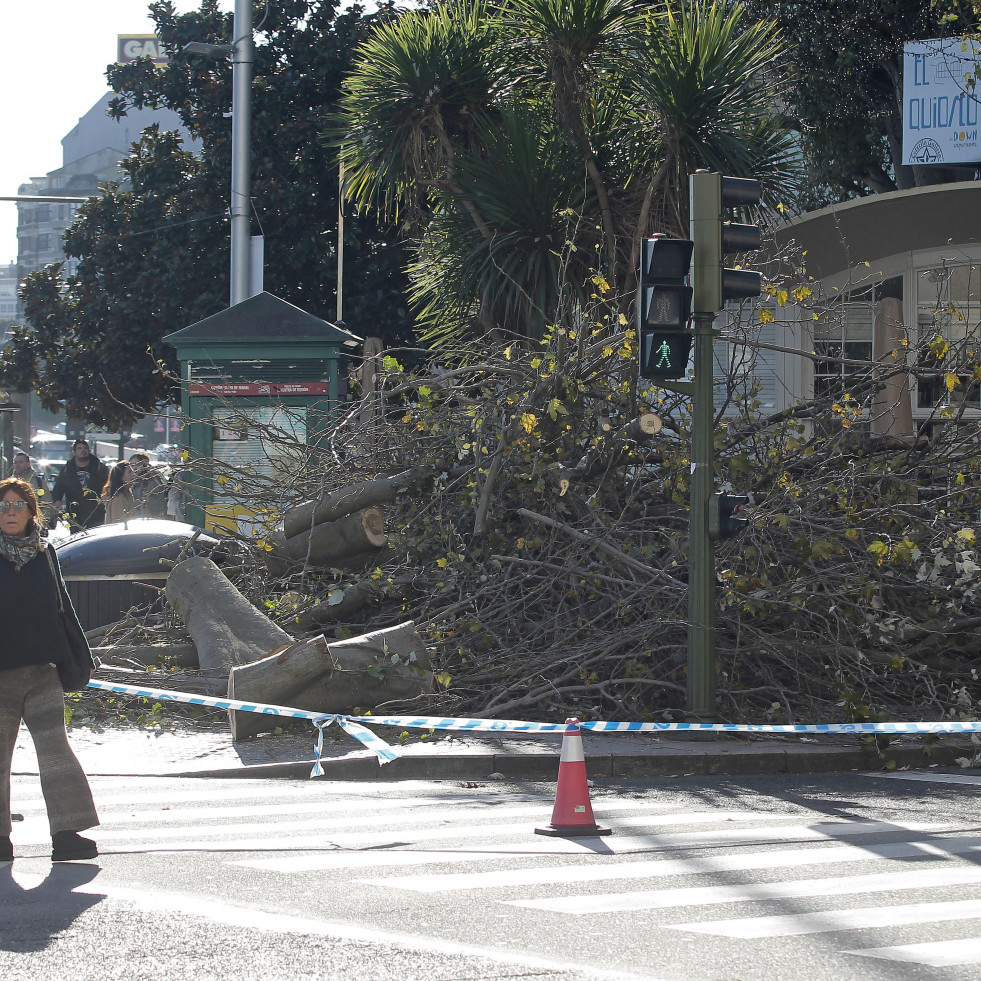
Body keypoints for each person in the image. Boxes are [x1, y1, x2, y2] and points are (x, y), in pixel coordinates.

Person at [0, 477, 99, 863]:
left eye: (17, 505)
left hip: (43, 672)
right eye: (2, 506)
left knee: (56, 753)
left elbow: (63, 605)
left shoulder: (45, 553)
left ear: (31, 512)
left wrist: (79, 655)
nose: (9, 512)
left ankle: (67, 834)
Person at [51, 440, 110, 532]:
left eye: (85, 448)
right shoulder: (67, 469)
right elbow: (59, 487)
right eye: (79, 448)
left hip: (95, 514)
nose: (83, 451)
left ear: (89, 451)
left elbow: (108, 486)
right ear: (74, 452)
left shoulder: (99, 467)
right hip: (75, 515)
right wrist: (57, 500)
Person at [128, 452, 168, 519]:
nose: (134, 468)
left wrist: (150, 498)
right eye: (132, 465)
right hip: (136, 517)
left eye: (137, 464)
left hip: (154, 516)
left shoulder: (154, 478)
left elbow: (163, 497)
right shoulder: (130, 480)